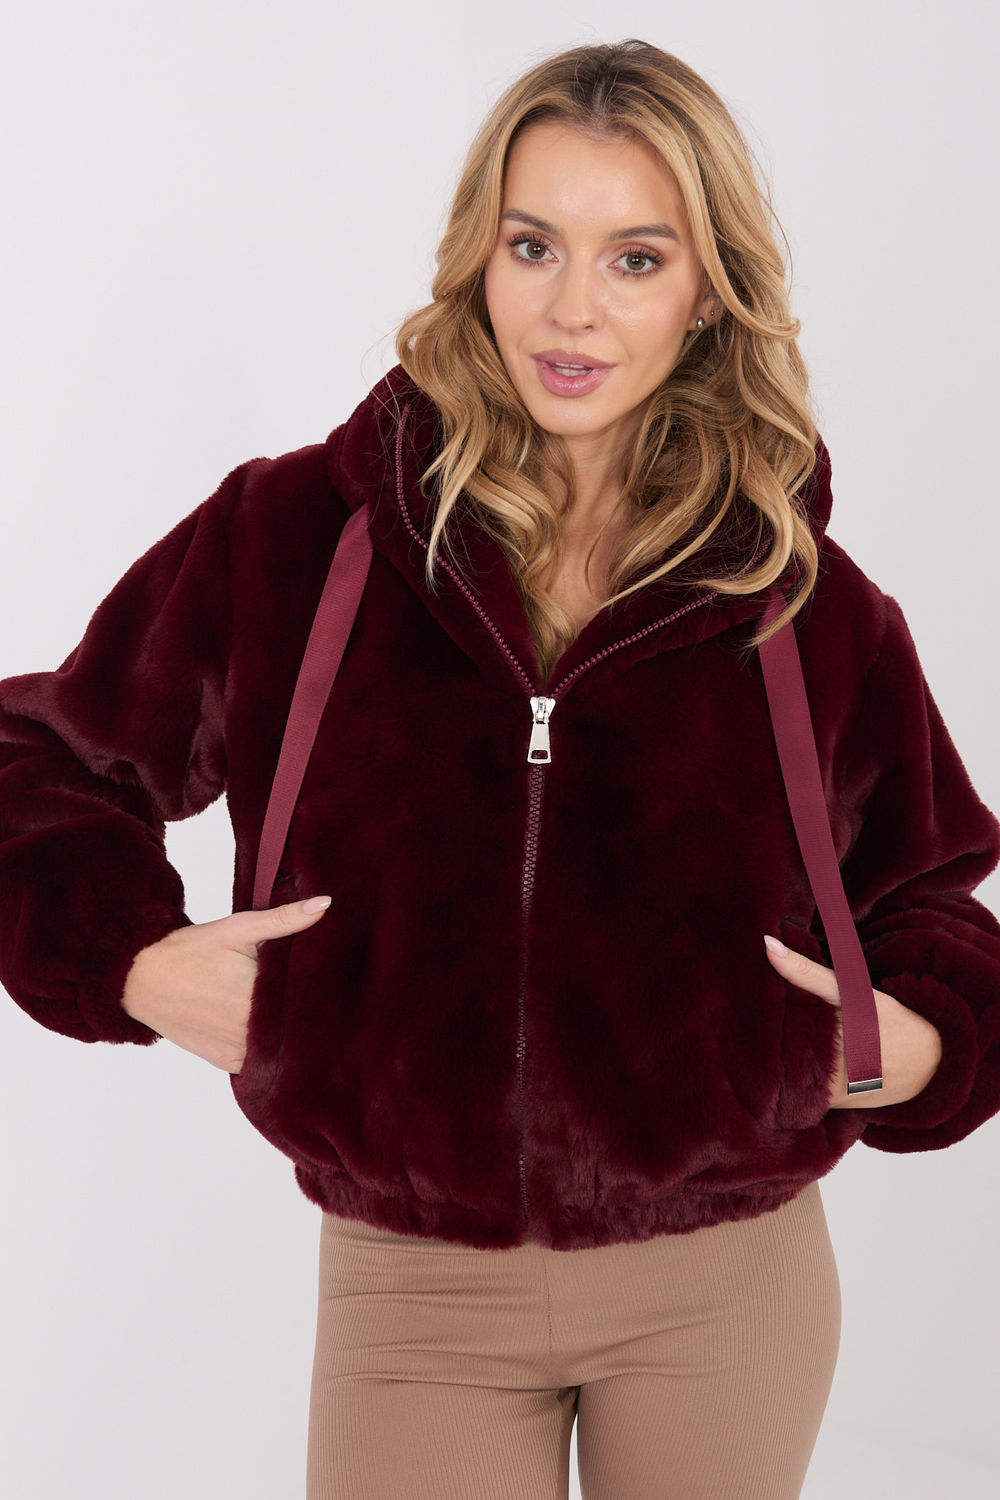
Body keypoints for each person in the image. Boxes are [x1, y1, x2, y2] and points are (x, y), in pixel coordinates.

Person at [1, 35, 998, 1500]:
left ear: (708, 291)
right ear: (479, 254)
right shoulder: (296, 541)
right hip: (415, 1291)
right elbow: (34, 761)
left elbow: (932, 898)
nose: (571, 307)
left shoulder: (800, 599)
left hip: (724, 1284)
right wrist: (132, 964)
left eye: (636, 259)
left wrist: (911, 1046)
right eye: (534, 245)